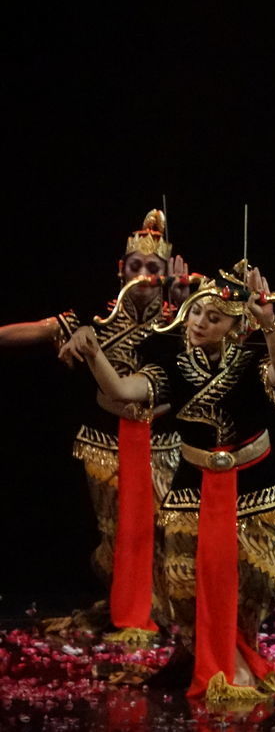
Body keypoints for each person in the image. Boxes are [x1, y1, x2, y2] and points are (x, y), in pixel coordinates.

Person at [71, 262, 275, 701]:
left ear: (234, 327)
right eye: (196, 313)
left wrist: (270, 326)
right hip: (195, 483)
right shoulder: (173, 362)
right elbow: (121, 391)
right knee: (188, 582)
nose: (198, 322)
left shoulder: (251, 358)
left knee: (255, 583)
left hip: (254, 485)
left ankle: (240, 654)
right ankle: (209, 661)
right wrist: (94, 352)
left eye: (213, 318)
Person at [0, 210, 191, 643]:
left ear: (165, 274)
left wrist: (185, 304)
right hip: (108, 442)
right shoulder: (97, 318)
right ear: (120, 269)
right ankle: (129, 606)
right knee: (117, 531)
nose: (143, 275)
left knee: (166, 532)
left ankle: (162, 609)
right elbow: (39, 330)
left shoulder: (182, 318)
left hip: (165, 442)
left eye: (152, 268)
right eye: (135, 266)